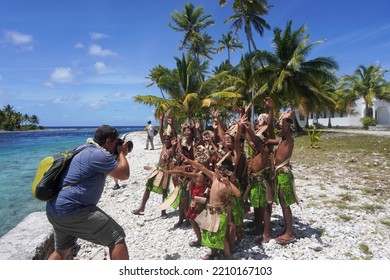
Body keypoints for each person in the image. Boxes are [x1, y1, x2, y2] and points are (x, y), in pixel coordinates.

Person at [46, 125, 130, 260]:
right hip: (73, 210)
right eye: (115, 143)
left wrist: (116, 153)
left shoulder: (83, 148)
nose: (116, 146)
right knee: (116, 238)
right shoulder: (98, 154)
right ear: (108, 142)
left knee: (61, 251)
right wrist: (121, 153)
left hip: (54, 209)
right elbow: (124, 174)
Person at [184, 152, 241, 260]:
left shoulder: (226, 183)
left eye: (221, 169)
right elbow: (201, 167)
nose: (217, 170)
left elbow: (238, 194)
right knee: (207, 231)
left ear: (226, 172)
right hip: (210, 210)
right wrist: (187, 158)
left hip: (220, 212)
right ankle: (213, 251)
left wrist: (228, 183)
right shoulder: (215, 178)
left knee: (219, 234)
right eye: (219, 169)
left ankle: (228, 255)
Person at [132, 115, 175, 218]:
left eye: (168, 139)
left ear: (171, 140)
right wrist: (161, 121)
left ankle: (163, 211)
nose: (166, 140)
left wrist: (171, 125)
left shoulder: (172, 148)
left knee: (164, 191)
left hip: (165, 172)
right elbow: (160, 133)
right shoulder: (164, 146)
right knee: (148, 187)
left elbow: (175, 137)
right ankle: (142, 207)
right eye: (164, 139)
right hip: (157, 170)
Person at [267, 110, 298, 245]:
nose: (279, 129)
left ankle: (290, 233)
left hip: (284, 175)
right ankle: (287, 228)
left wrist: (285, 119)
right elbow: (267, 136)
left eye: (280, 127)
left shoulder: (289, 139)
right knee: (282, 202)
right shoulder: (281, 141)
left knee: (285, 203)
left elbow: (285, 128)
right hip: (280, 175)